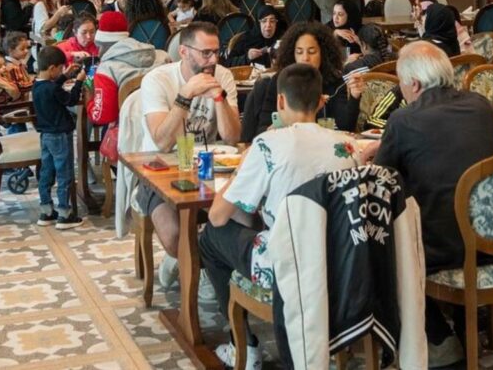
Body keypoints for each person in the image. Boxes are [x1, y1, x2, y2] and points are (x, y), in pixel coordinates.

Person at [200, 64, 361, 368]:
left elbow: (218, 217)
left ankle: (243, 345)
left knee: (210, 237)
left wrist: (240, 170)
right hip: (340, 260)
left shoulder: (268, 145)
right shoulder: (347, 145)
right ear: (321, 102)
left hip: (285, 264)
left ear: (280, 101)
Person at [364, 41, 493, 365]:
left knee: (378, 240)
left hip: (444, 249)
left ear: (413, 84)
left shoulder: (403, 120)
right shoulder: (481, 106)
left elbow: (381, 182)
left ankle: (437, 335)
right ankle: (466, 324)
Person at [137, 22, 242, 282]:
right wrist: (185, 96)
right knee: (175, 236)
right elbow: (162, 142)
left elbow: (232, 138)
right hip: (158, 171)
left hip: (211, 169)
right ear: (184, 52)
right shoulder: (158, 80)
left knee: (246, 220)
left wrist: (219, 98)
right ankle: (187, 258)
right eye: (206, 53)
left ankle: (202, 265)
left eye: (216, 52)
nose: (213, 60)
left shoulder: (223, 76)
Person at [241, 21, 363, 141]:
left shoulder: (333, 80)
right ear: (292, 54)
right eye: (299, 52)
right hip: (286, 144)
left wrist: (354, 97)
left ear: (323, 53)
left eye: (312, 52)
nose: (305, 58)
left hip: (322, 145)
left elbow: (345, 126)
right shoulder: (280, 80)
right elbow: (262, 130)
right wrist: (281, 122)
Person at [32, 45, 85, 229]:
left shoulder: (37, 85)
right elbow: (70, 100)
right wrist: (78, 82)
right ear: (52, 68)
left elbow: (52, 87)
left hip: (45, 136)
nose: (62, 71)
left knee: (46, 173)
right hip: (60, 136)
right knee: (65, 174)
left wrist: (65, 76)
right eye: (61, 68)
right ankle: (64, 213)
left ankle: (46, 211)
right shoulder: (53, 89)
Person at [2, 31, 35, 96]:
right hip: (21, 97)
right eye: (22, 49)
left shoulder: (14, 63)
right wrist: (36, 82)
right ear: (11, 50)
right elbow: (21, 87)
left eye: (27, 48)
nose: (26, 51)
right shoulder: (12, 67)